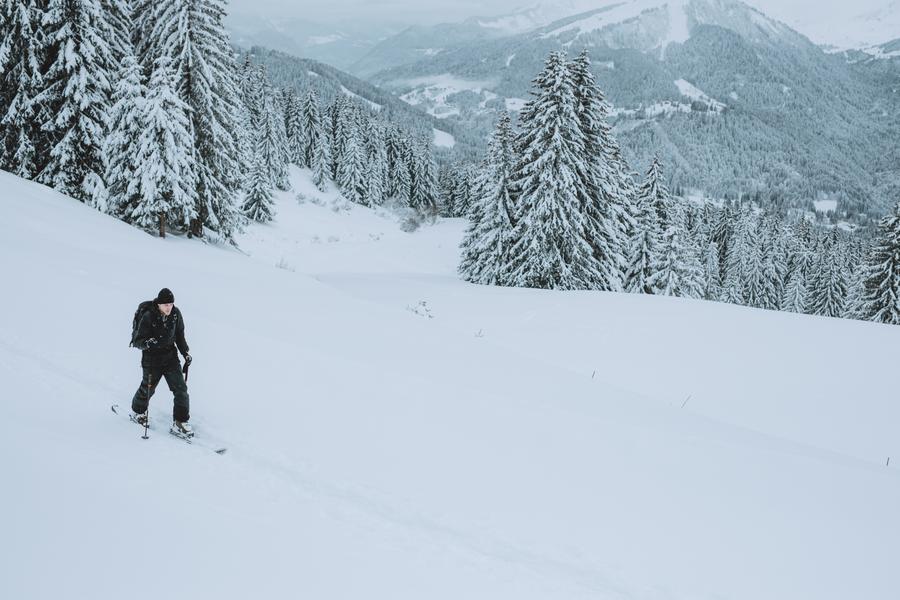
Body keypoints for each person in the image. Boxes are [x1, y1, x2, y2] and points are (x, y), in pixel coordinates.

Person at [131, 288, 193, 436]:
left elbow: (179, 335)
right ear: (158, 304)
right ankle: (138, 412)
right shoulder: (148, 316)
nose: (168, 307)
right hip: (152, 359)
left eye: (171, 304)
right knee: (148, 389)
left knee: (181, 390)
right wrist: (148, 343)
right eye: (165, 304)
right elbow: (137, 341)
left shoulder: (176, 314)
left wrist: (185, 353)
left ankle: (180, 422)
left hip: (170, 357)